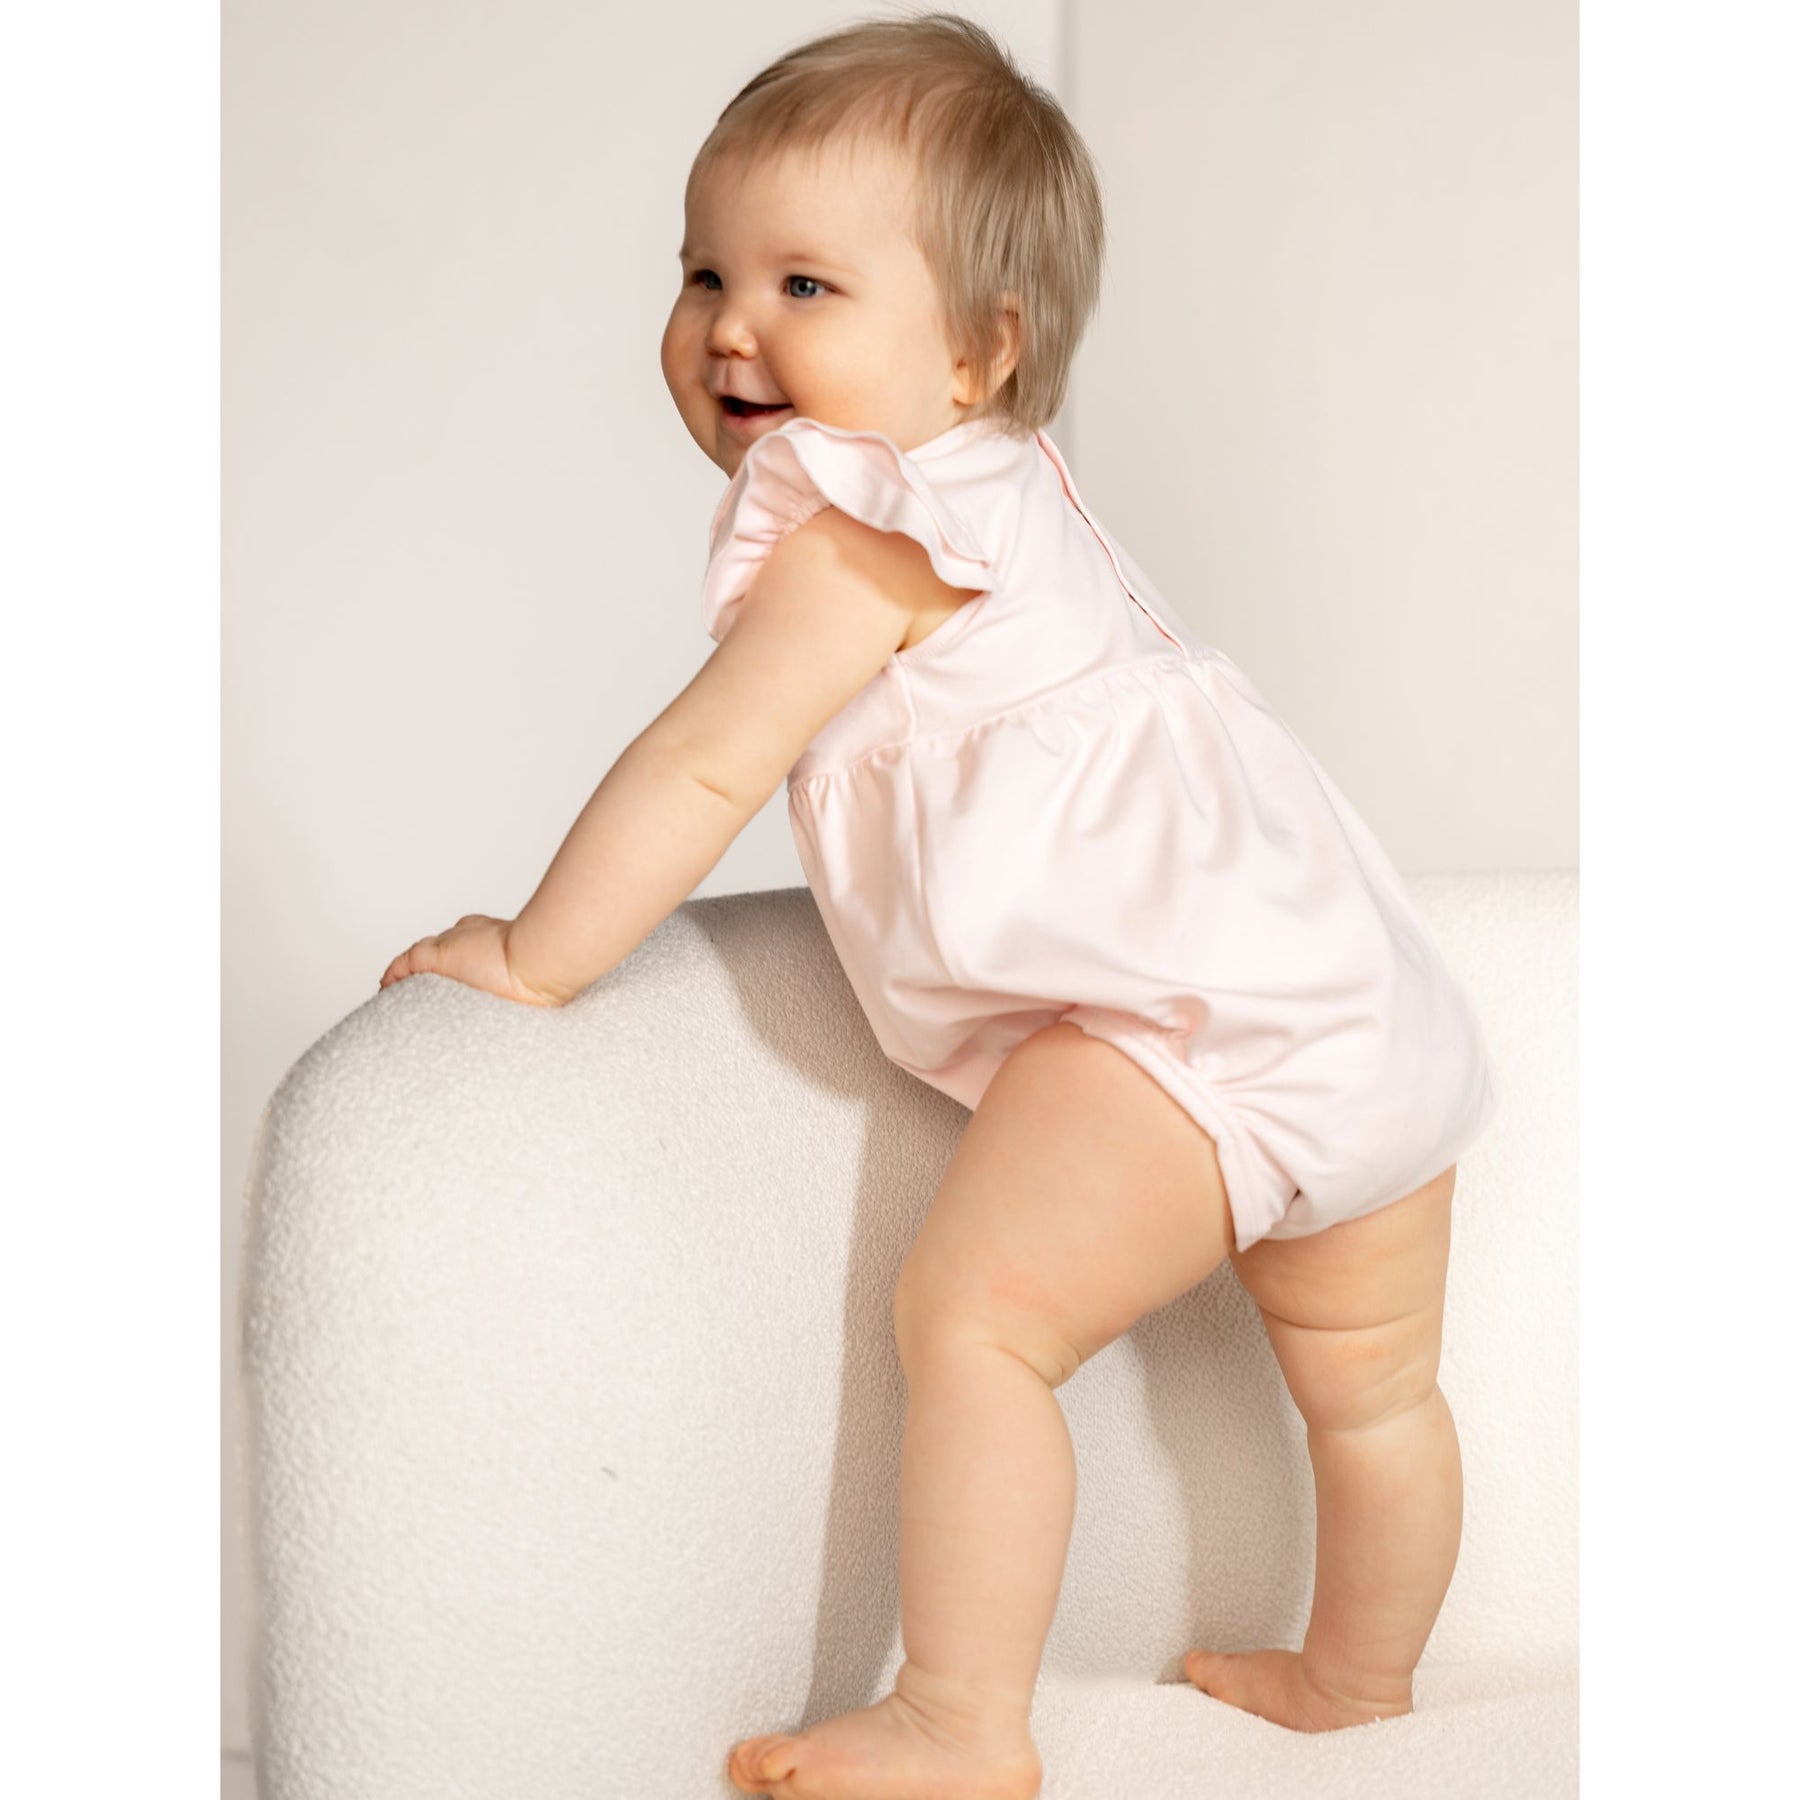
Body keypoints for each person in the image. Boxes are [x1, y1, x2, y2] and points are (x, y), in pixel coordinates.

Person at [378, 13, 1500, 1798]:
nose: (730, 325)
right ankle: (1360, 1688)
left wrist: (533, 955)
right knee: (1372, 1393)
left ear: (981, 351)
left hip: (1181, 1027)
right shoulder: (1010, 496)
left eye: (805, 285)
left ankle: (962, 1715)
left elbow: (702, 768)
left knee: (975, 1323)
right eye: (703, 272)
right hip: (1360, 1004)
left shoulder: (865, 531)